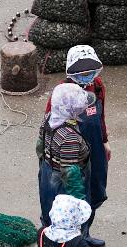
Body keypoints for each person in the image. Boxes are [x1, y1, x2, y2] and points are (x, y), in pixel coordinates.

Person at [42, 46, 110, 247]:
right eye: (82, 73)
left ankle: (84, 233)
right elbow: (49, 124)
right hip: (69, 153)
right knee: (68, 196)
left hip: (94, 147)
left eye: (91, 71)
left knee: (95, 189)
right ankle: (61, 242)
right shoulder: (62, 93)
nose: (88, 76)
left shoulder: (97, 87)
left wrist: (105, 141)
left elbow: (101, 116)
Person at [38, 83, 91, 224]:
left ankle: (47, 235)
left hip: (47, 170)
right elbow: (70, 172)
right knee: (67, 219)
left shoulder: (49, 117)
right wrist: (79, 203)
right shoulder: (69, 136)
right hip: (62, 178)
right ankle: (75, 241)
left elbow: (39, 146)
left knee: (49, 210)